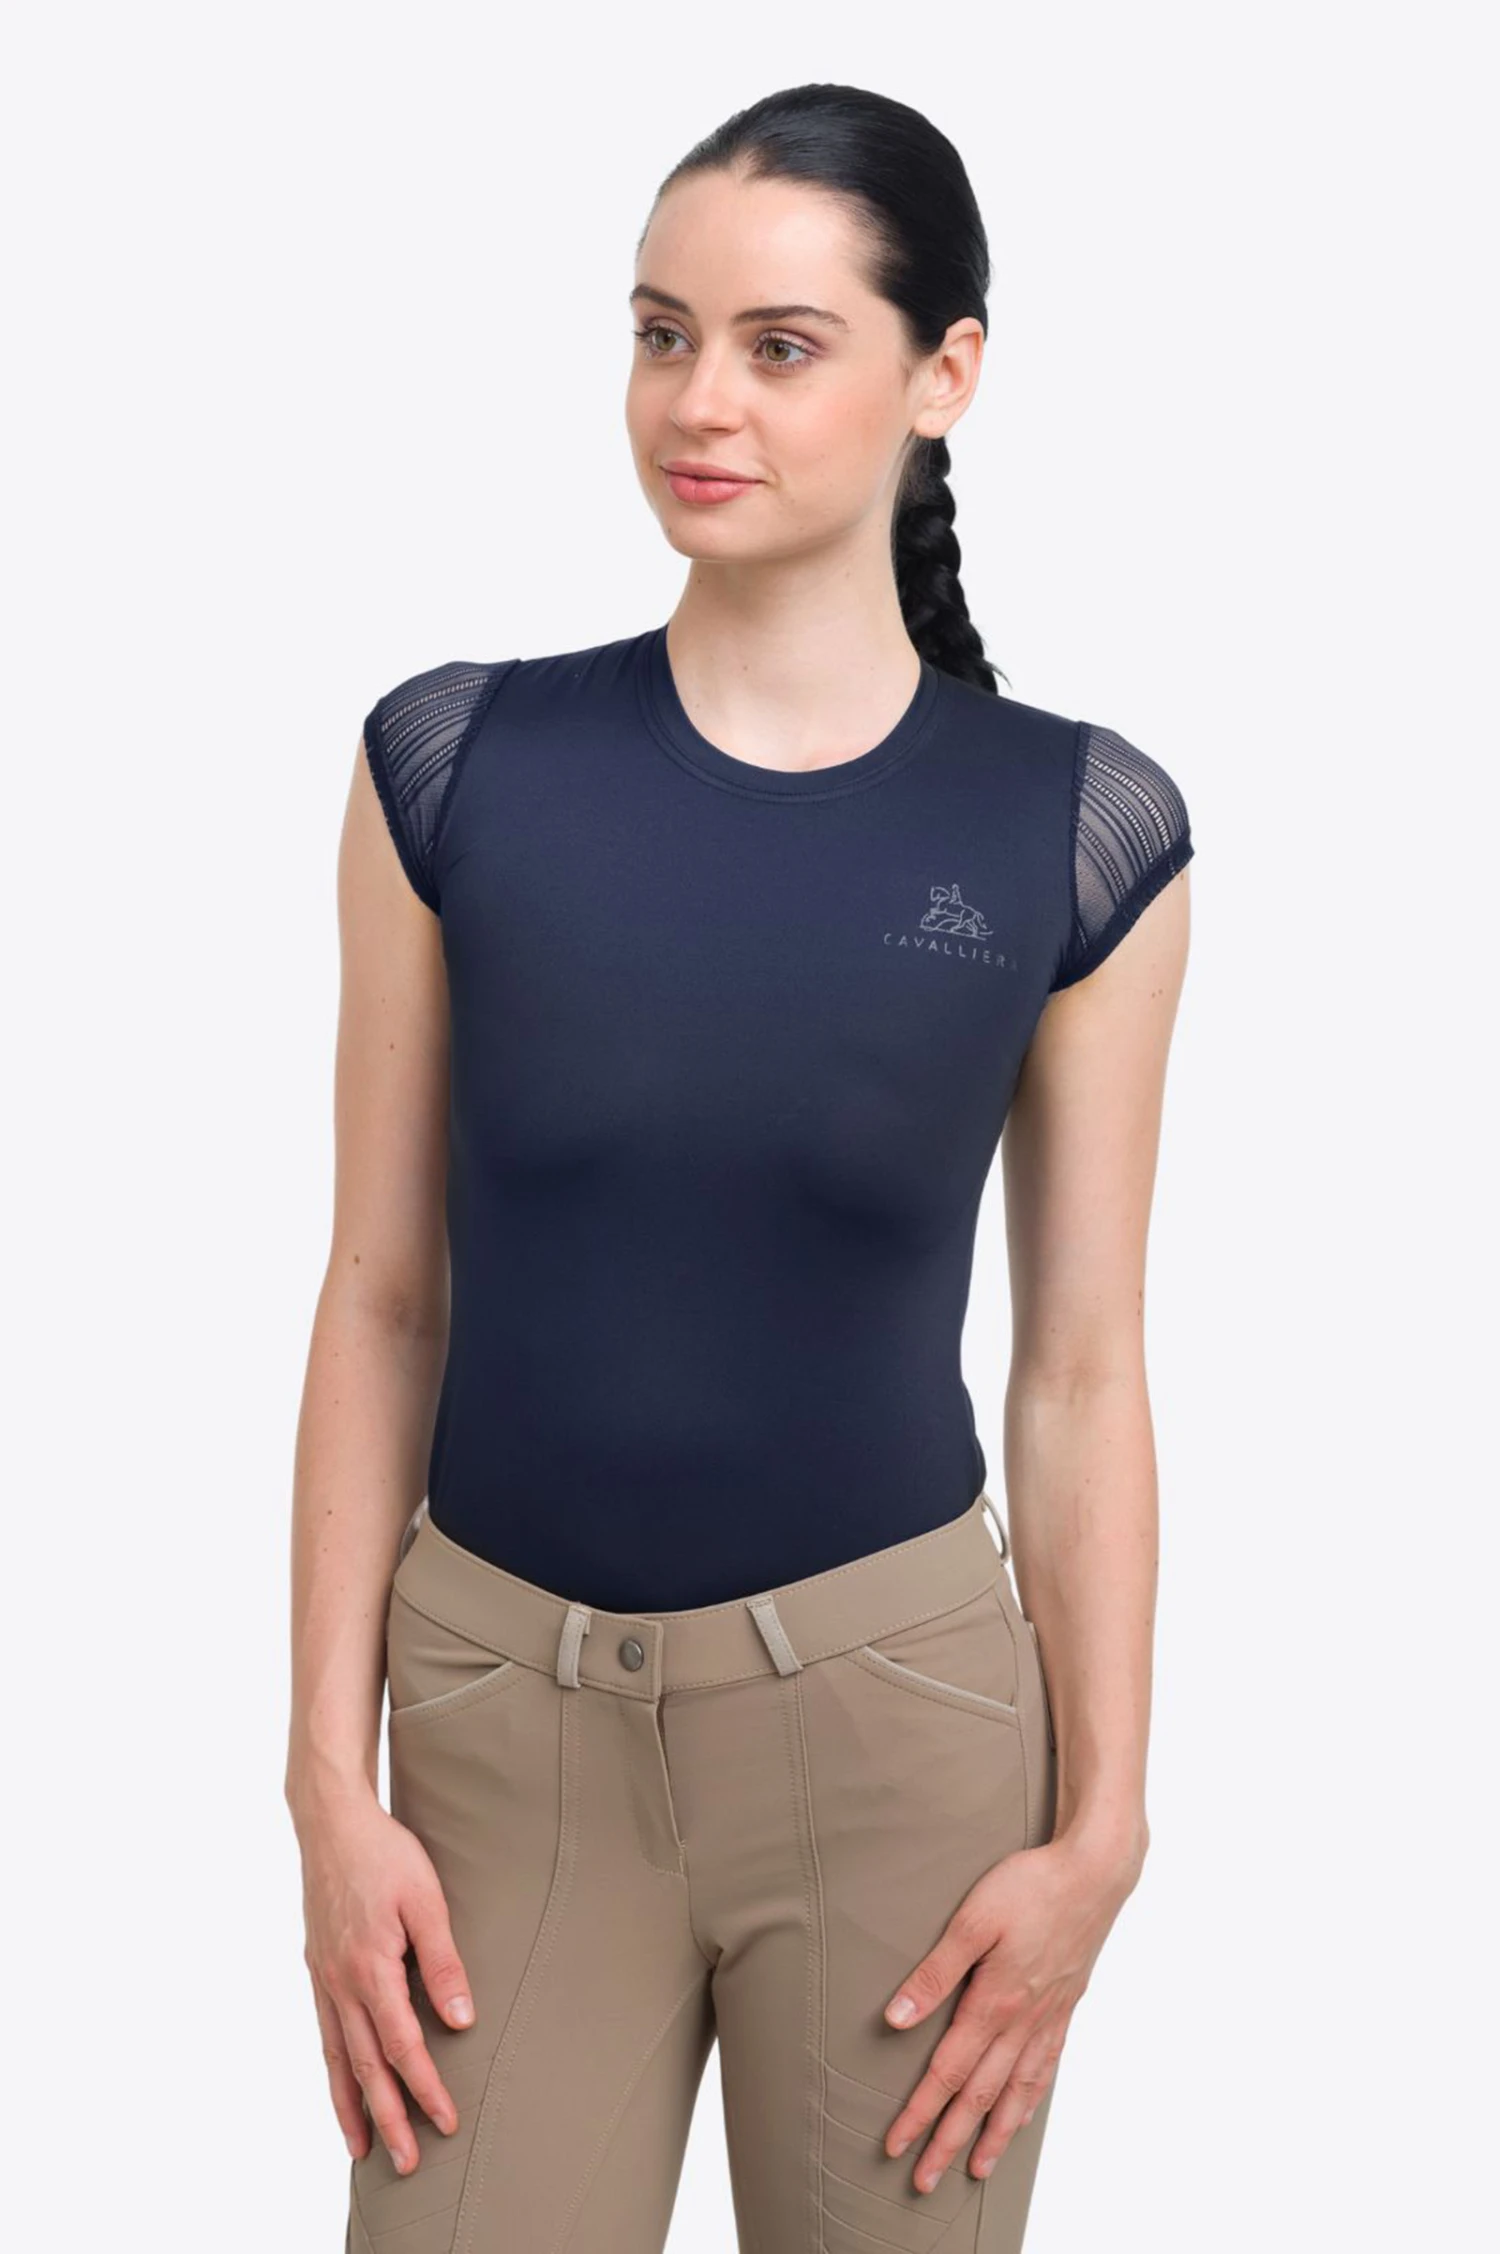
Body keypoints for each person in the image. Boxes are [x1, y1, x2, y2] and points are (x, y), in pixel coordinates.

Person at [285, 82, 1194, 2254]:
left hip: (901, 1744)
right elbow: (382, 1291)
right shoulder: (455, 766)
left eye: (783, 346)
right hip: (497, 1731)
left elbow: (1080, 1364)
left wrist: (1104, 1831)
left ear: (944, 372)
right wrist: (327, 1770)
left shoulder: (1078, 832)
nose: (700, 401)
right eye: (662, 333)